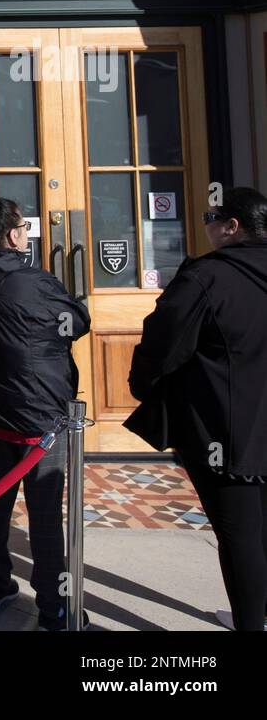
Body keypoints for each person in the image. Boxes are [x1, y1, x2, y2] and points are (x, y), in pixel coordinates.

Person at [130, 186, 267, 632]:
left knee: (241, 534)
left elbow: (162, 341)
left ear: (233, 226)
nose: (205, 224)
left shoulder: (207, 277)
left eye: (212, 217)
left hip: (226, 429)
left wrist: (144, 386)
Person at [0, 192, 91, 630]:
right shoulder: (31, 279)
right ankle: (54, 604)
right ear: (14, 235)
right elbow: (78, 321)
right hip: (40, 411)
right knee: (45, 510)